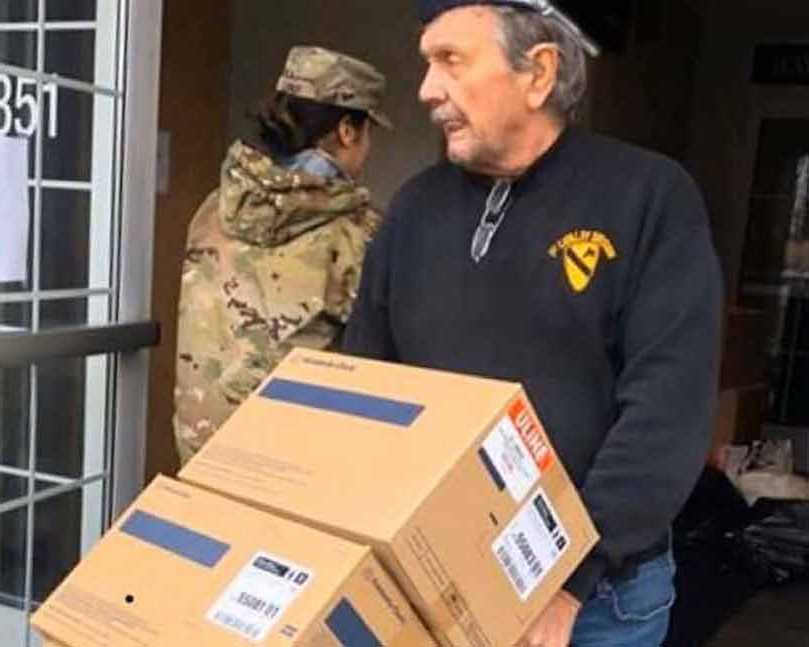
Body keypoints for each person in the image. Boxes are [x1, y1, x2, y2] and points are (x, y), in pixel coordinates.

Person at [342, 2, 723, 647]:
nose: (426, 90)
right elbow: (367, 386)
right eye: (427, 63)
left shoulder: (648, 197)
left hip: (595, 601)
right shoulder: (414, 209)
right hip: (438, 585)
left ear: (538, 74)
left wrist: (571, 581)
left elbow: (668, 406)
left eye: (451, 61)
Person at [174, 46, 392, 465]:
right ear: (347, 130)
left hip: (201, 458)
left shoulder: (215, 208)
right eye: (368, 133)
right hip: (288, 473)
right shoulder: (357, 232)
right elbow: (381, 368)